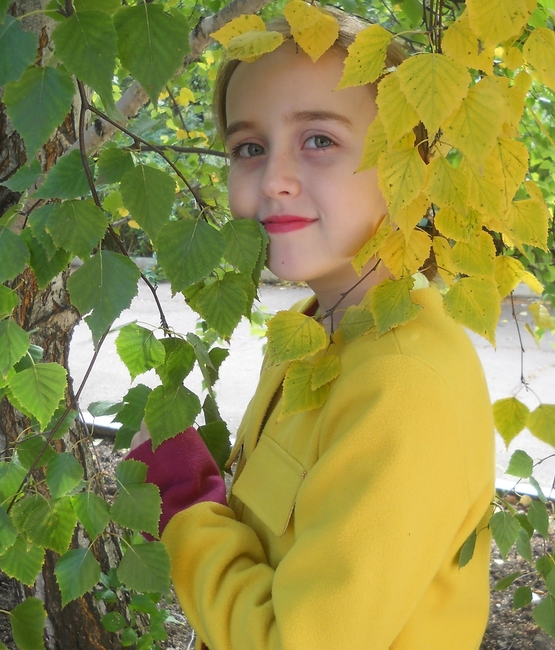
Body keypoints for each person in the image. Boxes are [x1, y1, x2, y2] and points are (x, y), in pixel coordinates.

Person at [128, 9, 495, 649]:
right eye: (249, 148)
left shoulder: (403, 385)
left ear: (409, 166)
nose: (274, 180)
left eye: (319, 140)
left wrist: (185, 498)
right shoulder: (310, 335)